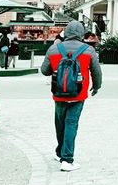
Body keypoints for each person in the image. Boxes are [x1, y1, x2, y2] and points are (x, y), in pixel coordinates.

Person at [40, 20, 102, 171]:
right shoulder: (88, 50)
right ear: (81, 33)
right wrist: (96, 86)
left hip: (59, 92)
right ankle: (67, 160)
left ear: (66, 32)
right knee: (71, 124)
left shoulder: (54, 49)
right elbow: (96, 72)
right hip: (78, 94)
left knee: (60, 123)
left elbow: (44, 71)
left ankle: (59, 152)